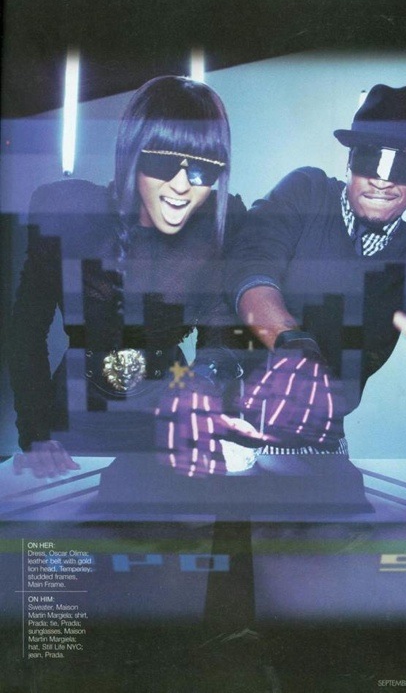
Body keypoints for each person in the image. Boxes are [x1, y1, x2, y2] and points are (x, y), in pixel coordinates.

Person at [225, 84, 406, 473]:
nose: (382, 181)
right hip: (231, 432)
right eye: (371, 159)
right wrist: (290, 342)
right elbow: (250, 266)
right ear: (350, 159)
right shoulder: (307, 192)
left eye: (402, 167)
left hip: (323, 445)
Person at [8, 75, 248, 480]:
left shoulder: (218, 231)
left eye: (202, 169)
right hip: (72, 426)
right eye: (164, 162)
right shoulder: (67, 214)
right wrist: (36, 433)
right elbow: (26, 333)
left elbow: (219, 341)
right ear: (133, 152)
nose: (181, 186)